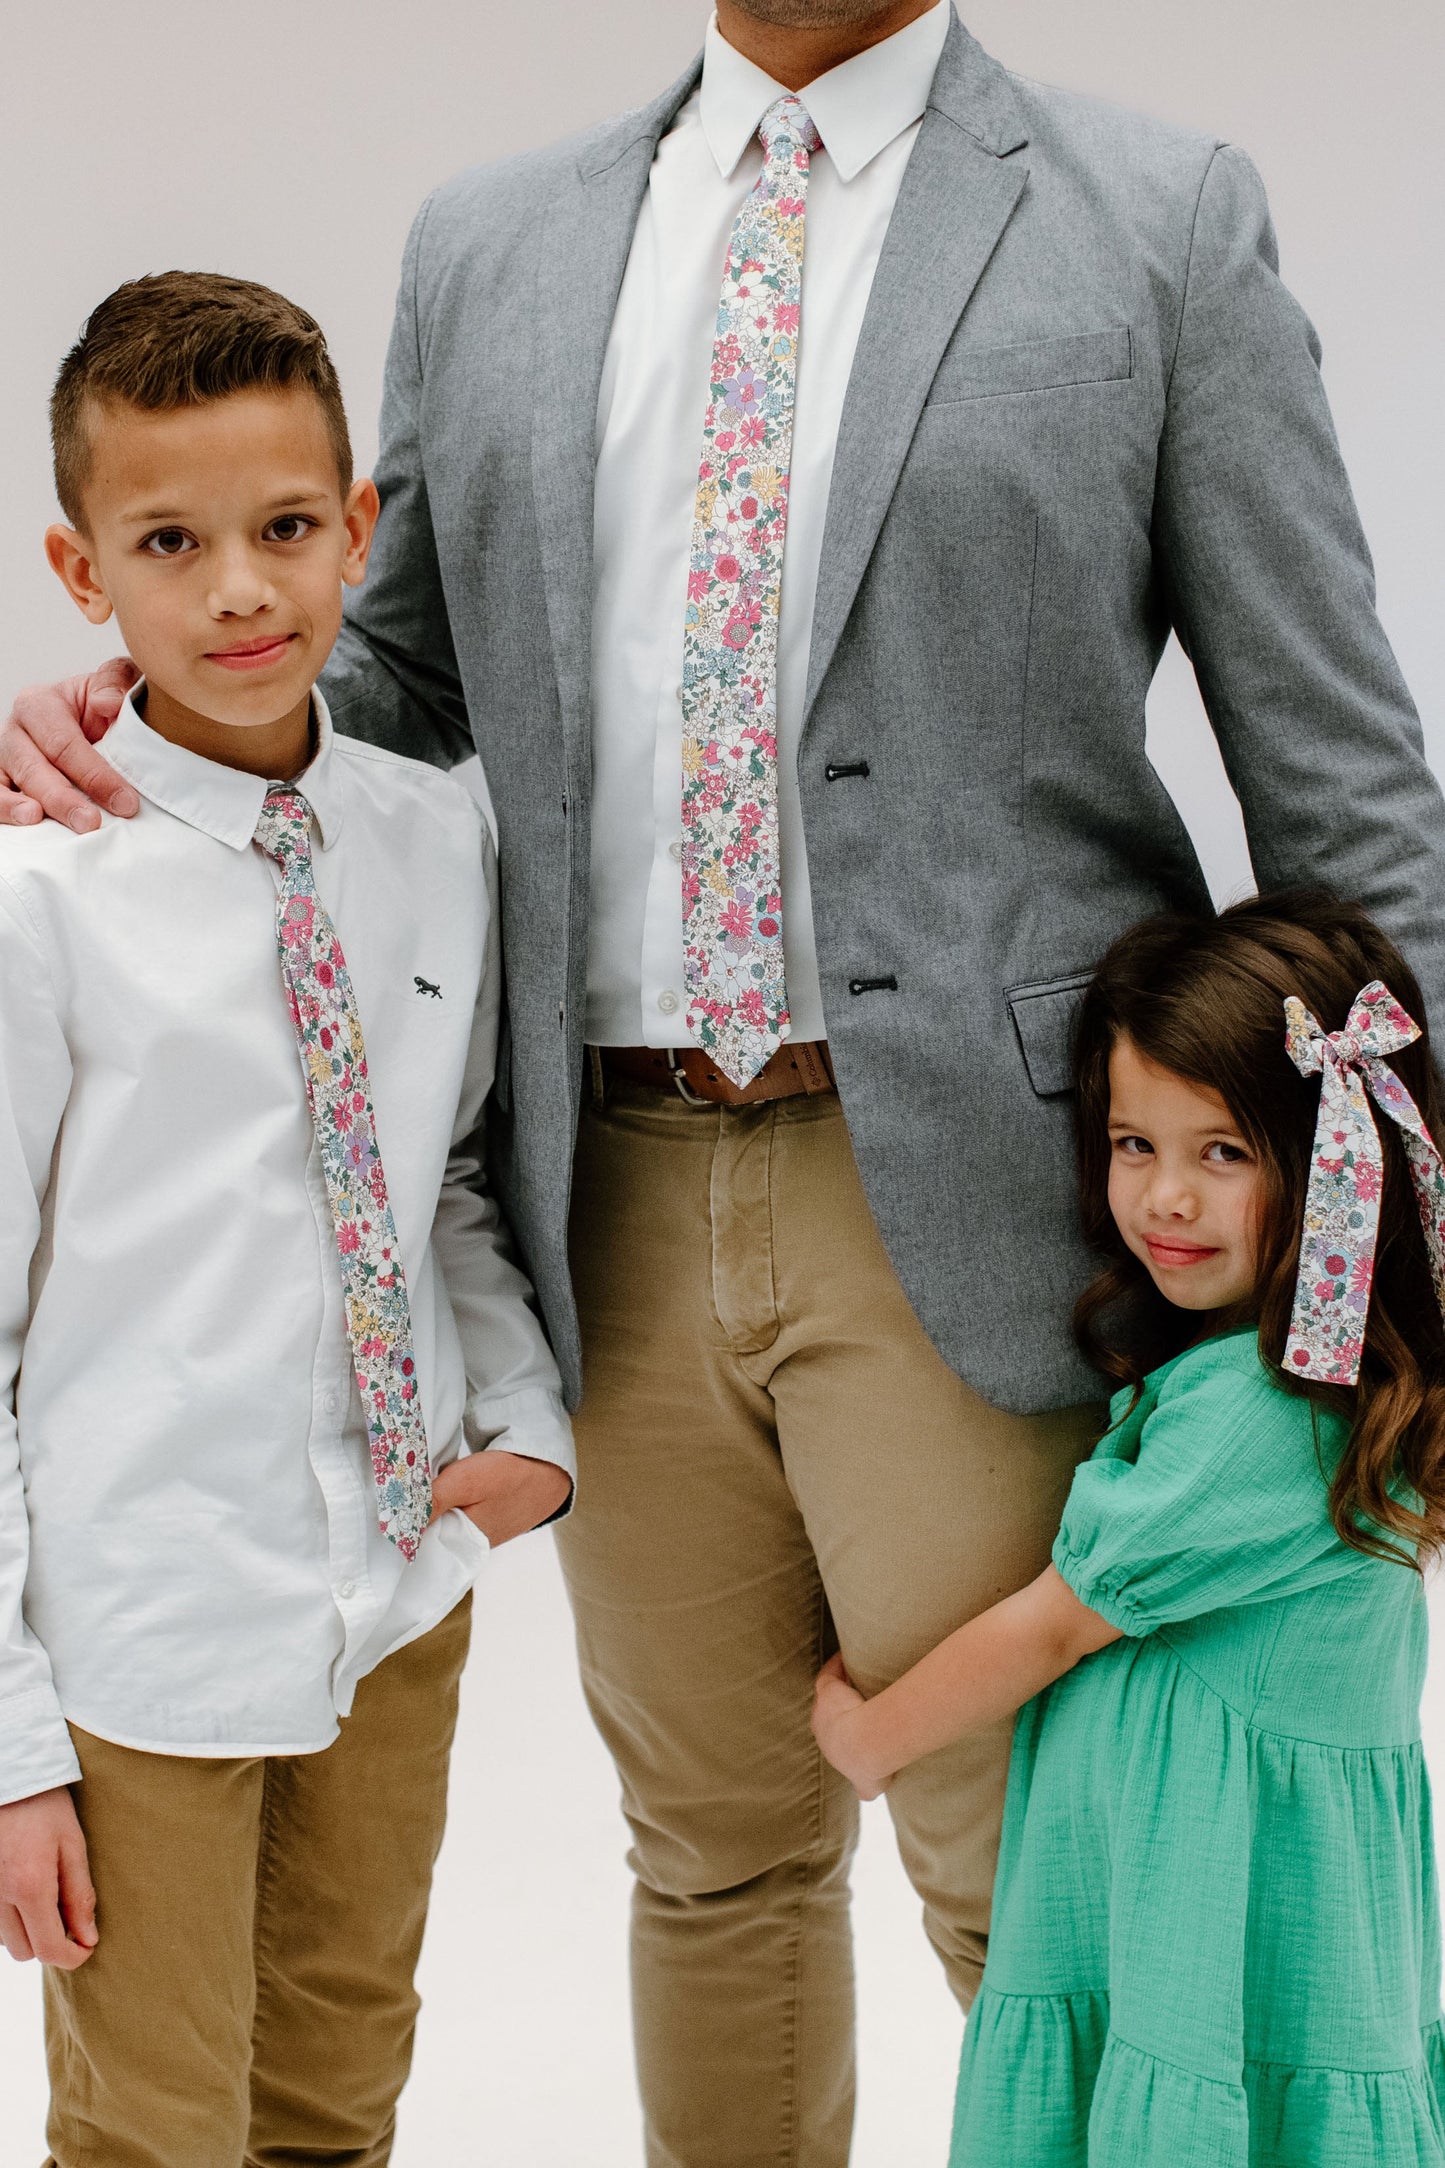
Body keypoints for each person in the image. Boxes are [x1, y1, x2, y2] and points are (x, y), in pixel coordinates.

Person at [5, 4, 1445, 2161]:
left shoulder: (1155, 223)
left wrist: (1393, 1273)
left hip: (978, 1187)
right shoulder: (492, 242)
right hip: (603, 1183)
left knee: (1024, 1852)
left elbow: (1333, 769)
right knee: (710, 1853)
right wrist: (107, 723)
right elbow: (381, 674)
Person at [0, 271, 574, 2168]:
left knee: (337, 2101)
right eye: (172, 543)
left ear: (360, 532)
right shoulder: (41, 891)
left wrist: (527, 1430)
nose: (240, 589)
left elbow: (452, 1171)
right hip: (144, 1629)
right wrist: (11, 1748)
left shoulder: (439, 837)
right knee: (153, 2129)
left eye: (285, 528)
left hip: (396, 1593)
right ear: (84, 573)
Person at [814, 891, 1445, 2166]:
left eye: (1223, 1153)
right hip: (1187, 1916)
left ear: (1334, 1167)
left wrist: (870, 1738)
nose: (1163, 1196)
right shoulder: (1266, 1378)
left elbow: (1049, 1627)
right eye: (1130, 1142)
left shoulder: (1267, 1413)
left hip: (1211, 1941)